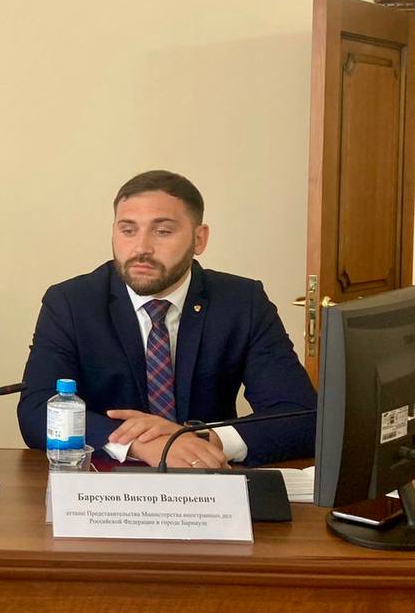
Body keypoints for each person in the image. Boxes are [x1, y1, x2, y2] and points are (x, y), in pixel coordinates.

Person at [19, 169, 317, 468]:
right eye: (128, 230)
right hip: (103, 480)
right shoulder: (72, 302)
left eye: (162, 231)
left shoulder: (241, 302)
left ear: (199, 239)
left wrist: (199, 439)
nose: (141, 248)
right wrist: (139, 443)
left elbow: (303, 415)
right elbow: (36, 410)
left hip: (207, 478)